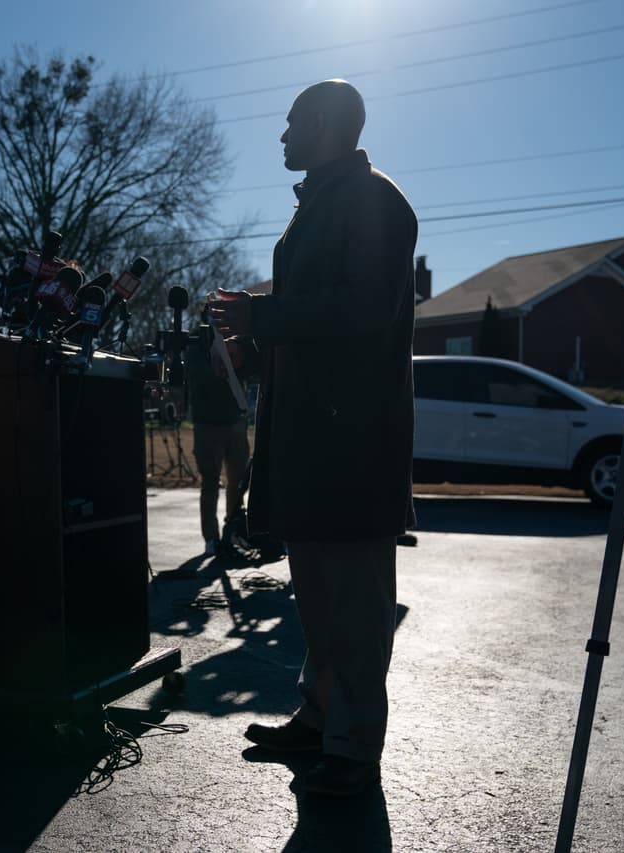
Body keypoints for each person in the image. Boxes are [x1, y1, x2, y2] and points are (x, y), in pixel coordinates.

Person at [211, 79, 418, 797]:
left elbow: (365, 309)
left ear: (324, 122)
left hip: (353, 447)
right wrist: (253, 345)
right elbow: (318, 323)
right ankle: (321, 716)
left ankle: (353, 752)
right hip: (311, 441)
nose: (282, 135)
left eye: (291, 121)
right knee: (319, 599)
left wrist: (264, 317)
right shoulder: (325, 202)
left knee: (356, 607)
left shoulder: (374, 200)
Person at [186, 320, 250, 558]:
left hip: (235, 420)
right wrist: (222, 362)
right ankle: (211, 538)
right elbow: (197, 374)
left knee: (238, 481)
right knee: (210, 482)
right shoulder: (197, 340)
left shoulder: (236, 335)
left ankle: (232, 530)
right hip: (208, 423)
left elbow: (247, 369)